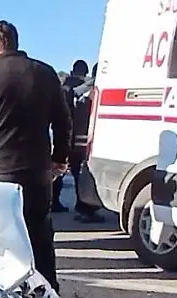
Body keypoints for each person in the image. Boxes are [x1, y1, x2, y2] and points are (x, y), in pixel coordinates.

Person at [0, 21, 71, 296]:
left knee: (3, 241)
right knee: (40, 234)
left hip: (0, 175)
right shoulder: (45, 74)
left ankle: (11, 295)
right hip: (38, 172)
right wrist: (59, 159)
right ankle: (48, 292)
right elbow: (63, 122)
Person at [51, 60, 104, 222]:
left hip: (69, 139)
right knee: (82, 175)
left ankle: (54, 202)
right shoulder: (88, 89)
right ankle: (84, 208)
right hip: (83, 140)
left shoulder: (65, 88)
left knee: (64, 173)